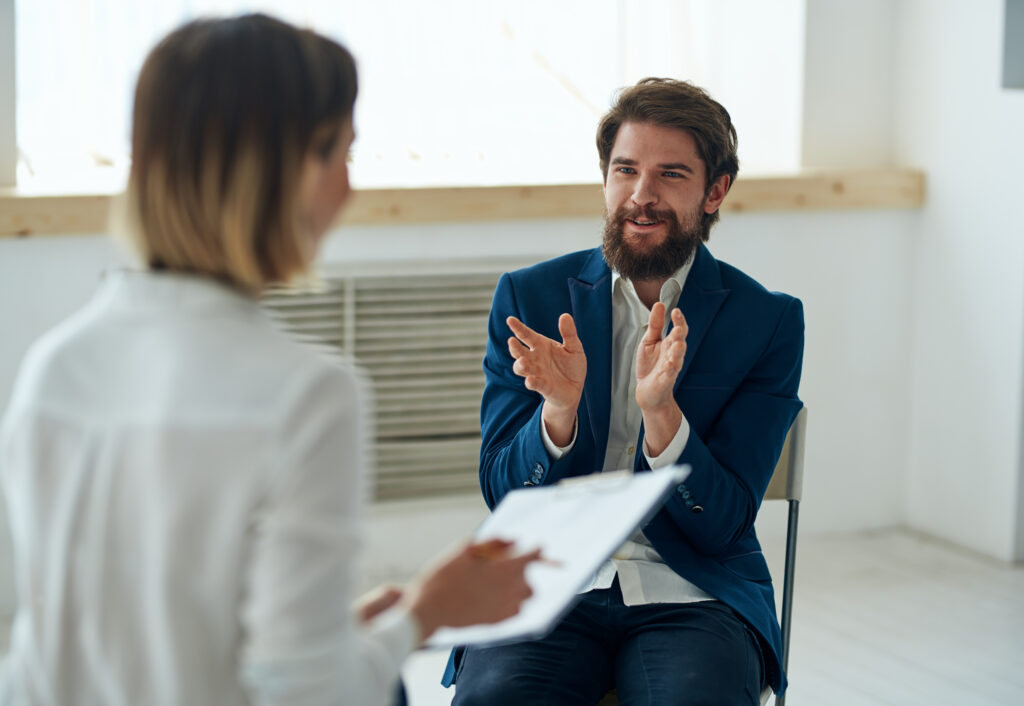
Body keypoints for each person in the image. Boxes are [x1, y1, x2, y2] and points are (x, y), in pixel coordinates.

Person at [0, 14, 539, 706]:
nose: (348, 190)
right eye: (340, 154)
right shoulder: (306, 393)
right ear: (279, 167)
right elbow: (309, 696)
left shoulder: (56, 366)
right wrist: (426, 614)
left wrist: (341, 630)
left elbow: (124, 637)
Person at [443, 78, 805, 705]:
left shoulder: (767, 322)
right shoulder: (530, 298)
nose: (641, 196)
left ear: (714, 191)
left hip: (695, 589)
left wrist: (663, 417)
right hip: (546, 579)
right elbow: (502, 494)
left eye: (670, 174)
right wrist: (556, 413)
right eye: (625, 170)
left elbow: (722, 525)